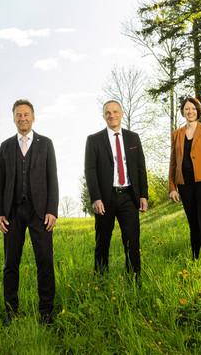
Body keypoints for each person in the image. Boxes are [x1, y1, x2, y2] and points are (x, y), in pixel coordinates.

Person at [0, 99, 59, 326]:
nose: (22, 118)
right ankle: (11, 313)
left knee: (45, 262)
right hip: (12, 212)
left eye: (26, 114)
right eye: (18, 115)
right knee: (10, 263)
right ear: (13, 119)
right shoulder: (5, 146)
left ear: (33, 117)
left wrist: (51, 210)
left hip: (40, 212)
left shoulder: (46, 143)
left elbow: (53, 178)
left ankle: (46, 313)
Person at [84, 100, 149, 278]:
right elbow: (90, 171)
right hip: (105, 198)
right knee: (102, 241)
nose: (111, 115)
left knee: (132, 241)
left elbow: (140, 168)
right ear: (104, 116)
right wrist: (95, 198)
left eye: (115, 112)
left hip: (129, 196)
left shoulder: (133, 138)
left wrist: (143, 195)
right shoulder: (94, 140)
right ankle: (101, 280)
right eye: (108, 113)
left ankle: (134, 280)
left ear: (121, 113)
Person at [169, 96, 201, 262]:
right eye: (186, 109)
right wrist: (172, 187)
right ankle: (196, 259)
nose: (190, 112)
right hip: (184, 184)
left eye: (193, 108)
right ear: (183, 112)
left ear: (198, 111)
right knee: (193, 225)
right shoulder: (176, 134)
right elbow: (173, 162)